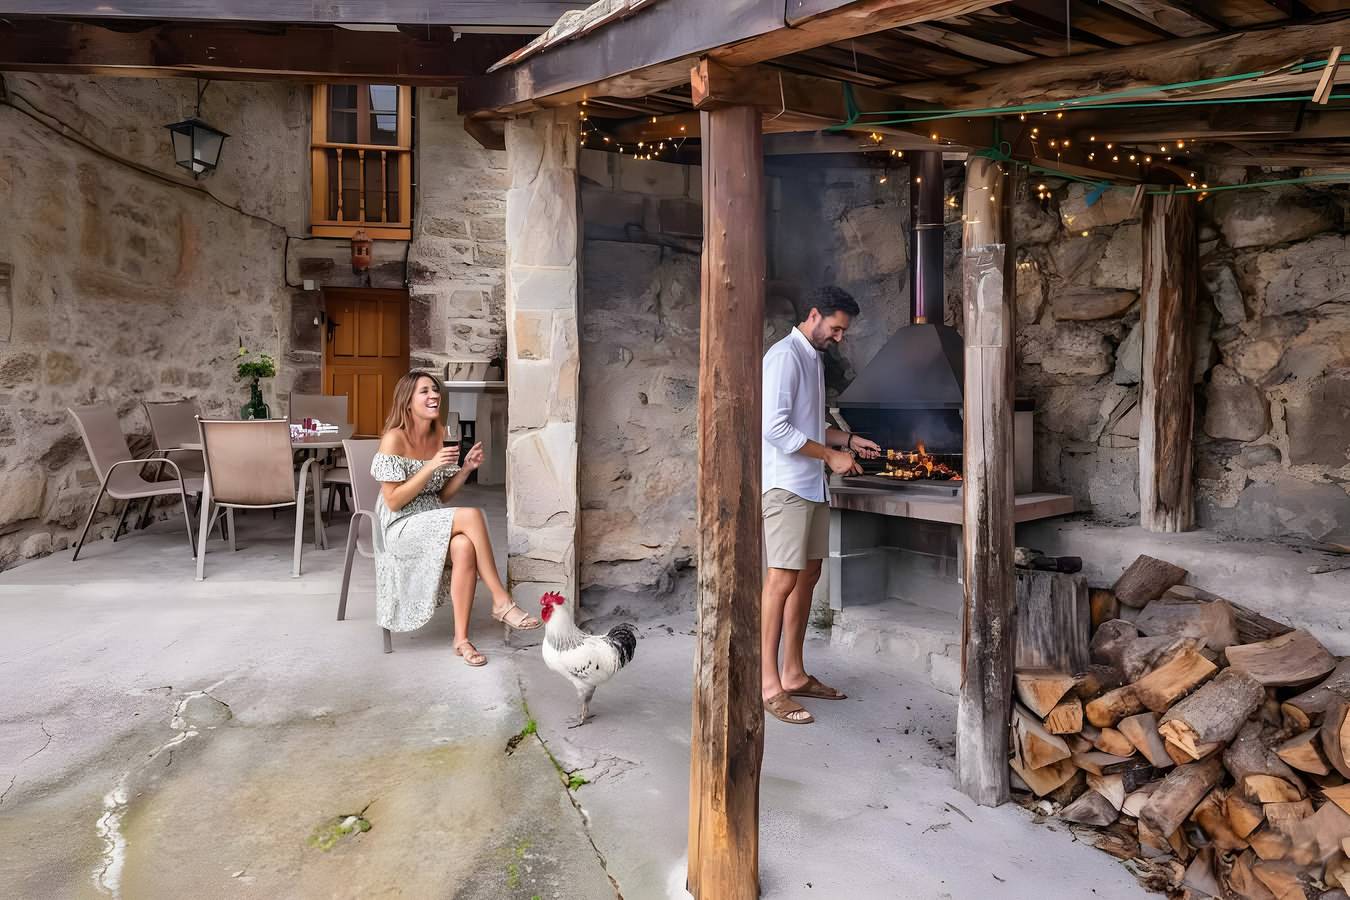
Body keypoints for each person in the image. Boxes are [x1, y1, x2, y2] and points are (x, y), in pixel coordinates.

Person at [761, 287, 881, 724]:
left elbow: (808, 424)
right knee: (781, 580)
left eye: (843, 331)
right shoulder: (783, 357)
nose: (839, 337)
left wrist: (846, 440)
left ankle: (794, 673)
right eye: (836, 328)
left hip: (811, 487)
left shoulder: (811, 358)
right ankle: (768, 683)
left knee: (808, 576)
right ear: (813, 315)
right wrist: (830, 457)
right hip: (785, 487)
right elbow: (773, 426)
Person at [371, 370, 540, 666]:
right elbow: (394, 501)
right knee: (471, 515)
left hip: (430, 517)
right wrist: (430, 466)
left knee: (463, 546)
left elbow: (442, 496)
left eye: (435, 390)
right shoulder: (393, 439)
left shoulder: (440, 434)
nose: (433, 395)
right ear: (408, 401)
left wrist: (465, 469)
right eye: (424, 391)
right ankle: (501, 600)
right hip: (400, 525)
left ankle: (461, 639)